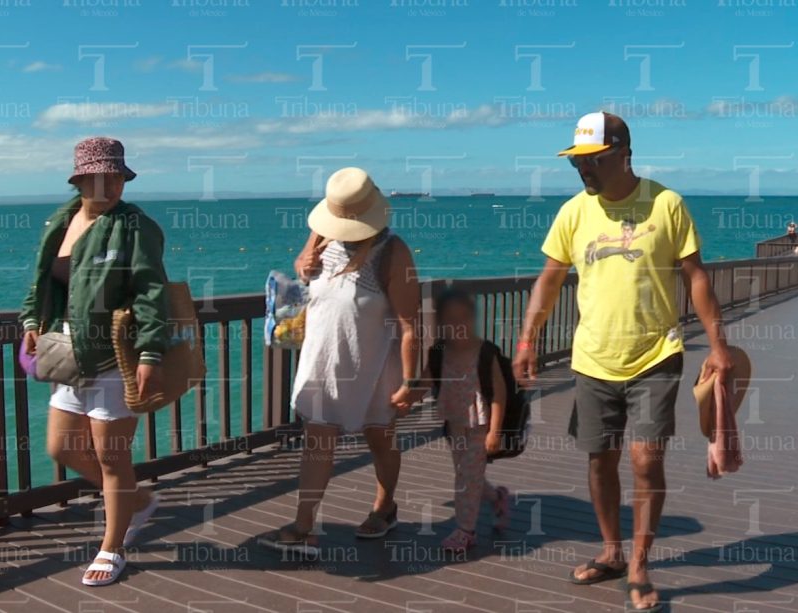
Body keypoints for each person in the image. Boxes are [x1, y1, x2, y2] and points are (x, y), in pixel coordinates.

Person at [512, 112, 732, 612]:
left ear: (623, 153)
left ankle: (638, 565)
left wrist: (718, 346)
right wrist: (527, 341)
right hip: (592, 357)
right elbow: (549, 279)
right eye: (578, 162)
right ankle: (611, 551)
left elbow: (695, 277)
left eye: (593, 159)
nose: (583, 169)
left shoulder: (666, 203)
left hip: (657, 352)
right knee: (600, 457)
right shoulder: (573, 212)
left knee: (645, 457)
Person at [19, 137, 167, 586]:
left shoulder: (133, 226)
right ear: (81, 179)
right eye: (104, 176)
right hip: (64, 350)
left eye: (119, 175)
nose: (114, 184)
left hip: (114, 355)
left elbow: (150, 289)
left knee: (111, 457)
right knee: (61, 448)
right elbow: (44, 279)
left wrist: (151, 351)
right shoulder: (61, 221)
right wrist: (31, 318)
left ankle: (113, 546)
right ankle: (137, 501)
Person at [257, 167, 424, 556]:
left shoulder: (392, 252)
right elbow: (302, 264)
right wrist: (305, 265)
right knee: (317, 443)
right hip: (324, 360)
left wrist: (411, 381)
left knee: (380, 441)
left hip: (376, 366)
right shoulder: (323, 233)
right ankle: (303, 526)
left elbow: (409, 324)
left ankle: (385, 508)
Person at [424, 288, 510, 552]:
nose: (456, 325)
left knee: (465, 478)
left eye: (462, 318)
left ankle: (466, 531)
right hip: (455, 423)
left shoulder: (485, 352)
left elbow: (499, 394)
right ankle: (498, 498)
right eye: (449, 319)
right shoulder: (439, 351)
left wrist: (495, 432)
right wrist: (402, 397)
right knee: (469, 476)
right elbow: (426, 381)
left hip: (480, 427)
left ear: (473, 319)